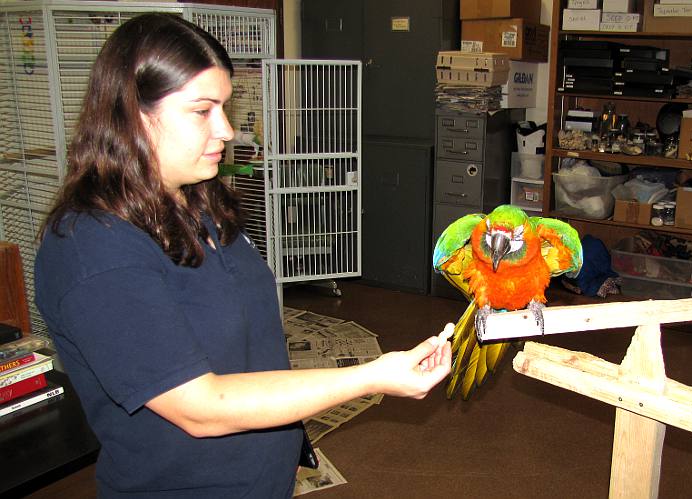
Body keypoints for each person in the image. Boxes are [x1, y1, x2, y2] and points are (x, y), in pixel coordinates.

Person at [34, 13, 451, 498]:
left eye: (225, 107)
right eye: (202, 110)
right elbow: (200, 406)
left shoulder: (199, 201)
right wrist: (371, 376)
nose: (227, 130)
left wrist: (286, 447)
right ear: (131, 114)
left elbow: (248, 349)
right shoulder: (92, 246)